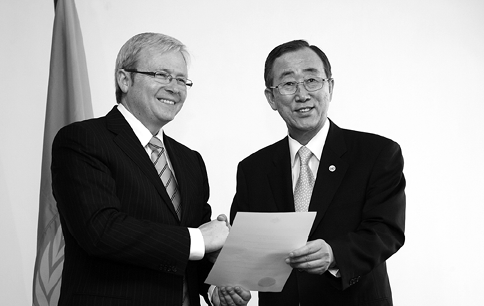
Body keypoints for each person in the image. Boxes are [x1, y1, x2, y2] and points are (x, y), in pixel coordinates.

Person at [52, 32, 249, 306]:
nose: (174, 87)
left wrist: (215, 288)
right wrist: (201, 238)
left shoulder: (190, 160)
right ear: (124, 79)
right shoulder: (83, 140)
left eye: (181, 79)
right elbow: (100, 230)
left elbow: (192, 251)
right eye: (162, 75)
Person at [230, 40, 406, 305]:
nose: (302, 94)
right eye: (289, 84)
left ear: (330, 87)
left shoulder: (376, 153)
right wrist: (230, 250)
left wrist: (335, 253)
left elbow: (386, 231)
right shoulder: (253, 169)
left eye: (312, 80)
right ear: (271, 98)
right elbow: (247, 248)